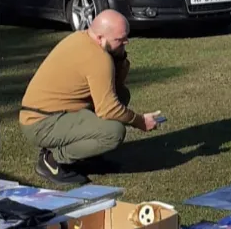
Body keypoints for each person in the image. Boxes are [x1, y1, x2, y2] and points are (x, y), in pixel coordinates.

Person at [19, 10, 163, 184]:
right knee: (113, 132)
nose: (126, 42)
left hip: (50, 114)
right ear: (100, 38)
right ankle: (53, 159)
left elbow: (115, 89)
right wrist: (141, 121)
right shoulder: (99, 59)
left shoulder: (81, 38)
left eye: (126, 37)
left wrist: (120, 56)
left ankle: (88, 157)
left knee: (122, 95)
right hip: (41, 122)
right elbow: (108, 109)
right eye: (120, 39)